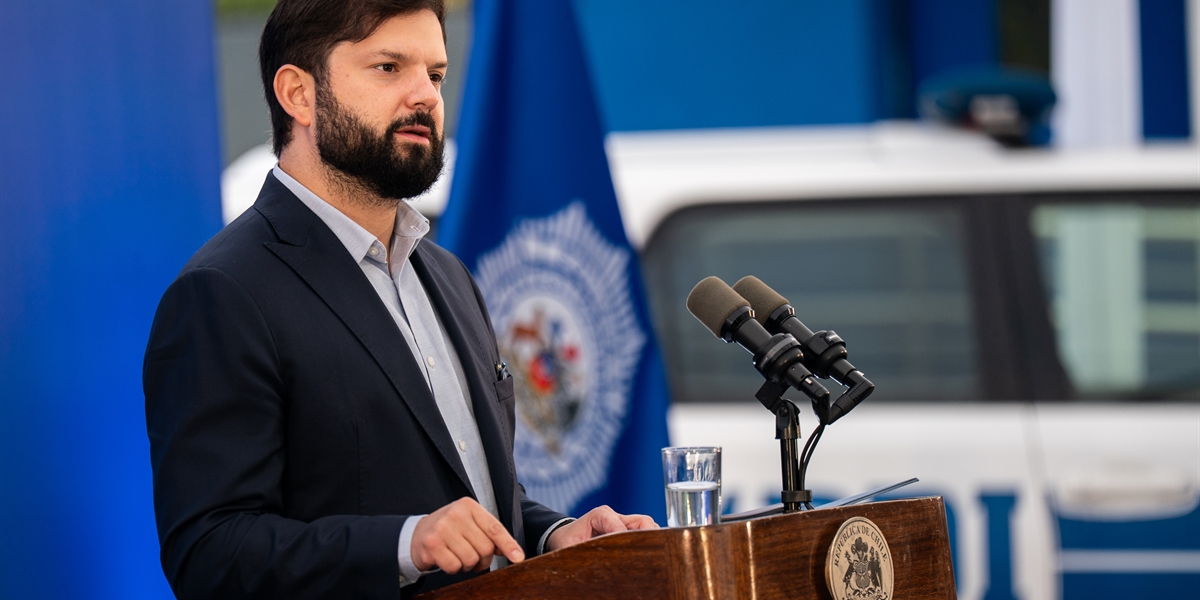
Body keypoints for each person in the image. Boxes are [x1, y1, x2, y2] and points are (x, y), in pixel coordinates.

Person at [142, 1, 655, 597]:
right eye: (389, 67)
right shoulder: (223, 292)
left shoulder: (447, 275)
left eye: (435, 74)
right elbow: (209, 554)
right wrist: (404, 544)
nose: (425, 96)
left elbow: (465, 494)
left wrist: (551, 535)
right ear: (297, 94)